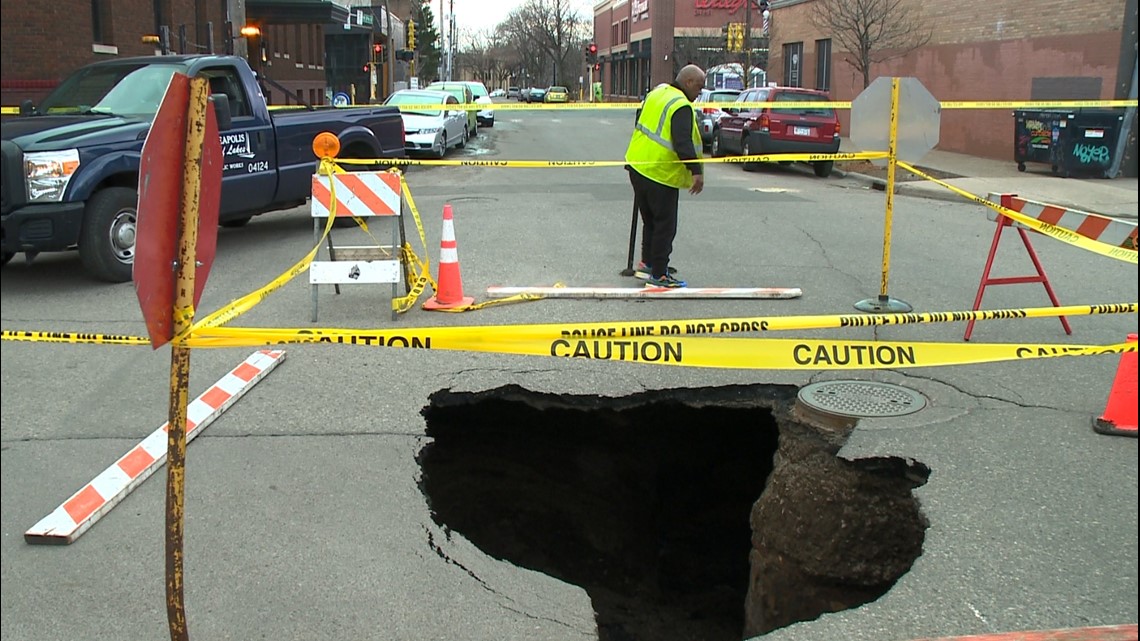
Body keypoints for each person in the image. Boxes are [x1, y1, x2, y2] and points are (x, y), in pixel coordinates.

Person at [624, 64, 706, 288]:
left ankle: (648, 263)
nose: (700, 93)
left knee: (650, 221)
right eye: (699, 87)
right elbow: (683, 143)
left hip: (637, 164)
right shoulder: (680, 106)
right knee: (665, 225)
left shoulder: (658, 93)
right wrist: (696, 172)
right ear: (687, 82)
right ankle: (659, 275)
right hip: (660, 171)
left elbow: (639, 121)